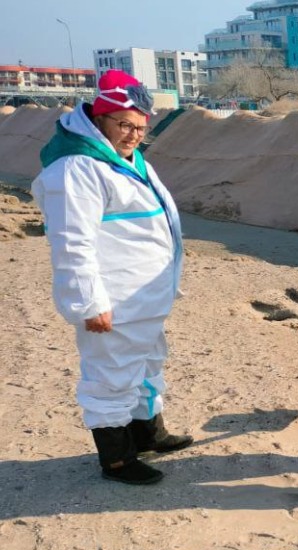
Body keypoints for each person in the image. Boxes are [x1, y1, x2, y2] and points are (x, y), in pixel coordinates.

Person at [33, 69, 191, 486]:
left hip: (143, 299)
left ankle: (147, 433)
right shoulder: (78, 169)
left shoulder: (124, 159)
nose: (134, 135)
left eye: (141, 128)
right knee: (110, 374)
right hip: (115, 300)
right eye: (124, 125)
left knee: (147, 363)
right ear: (99, 117)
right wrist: (88, 303)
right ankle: (117, 459)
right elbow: (72, 243)